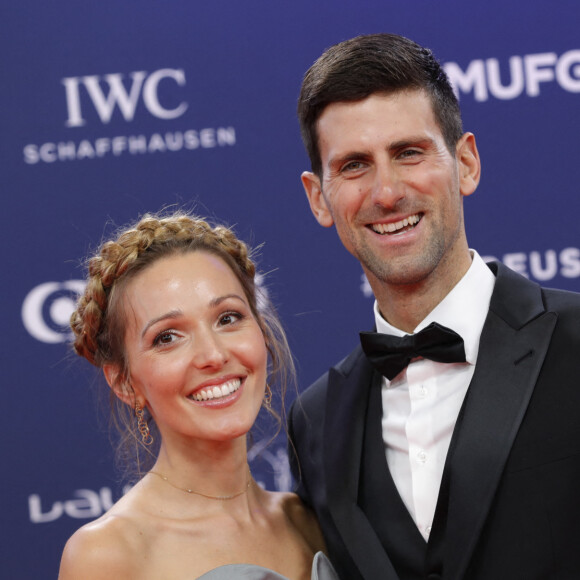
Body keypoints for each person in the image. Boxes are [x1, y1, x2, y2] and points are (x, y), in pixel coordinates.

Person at [288, 33, 580, 580]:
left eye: (408, 153)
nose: (386, 191)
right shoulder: (315, 421)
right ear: (318, 197)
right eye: (354, 165)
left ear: (465, 163)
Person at [58, 211, 338, 580]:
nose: (213, 355)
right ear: (125, 383)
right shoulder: (107, 554)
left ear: (262, 334)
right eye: (167, 337)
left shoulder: (311, 522)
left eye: (228, 318)